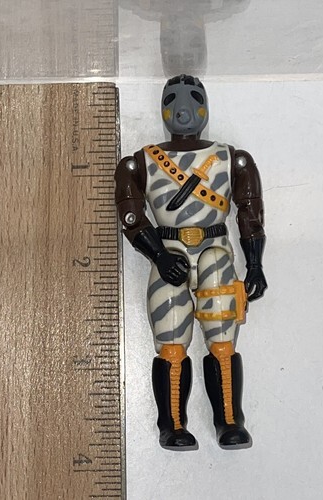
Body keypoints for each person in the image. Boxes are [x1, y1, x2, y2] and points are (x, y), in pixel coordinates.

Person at [115, 74, 267, 450]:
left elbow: (250, 215)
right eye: (172, 100)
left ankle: (229, 421)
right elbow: (132, 217)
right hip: (168, 252)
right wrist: (158, 254)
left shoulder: (233, 159)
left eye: (193, 99)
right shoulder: (140, 163)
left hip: (215, 251)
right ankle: (172, 426)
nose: (183, 109)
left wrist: (255, 264)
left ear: (204, 106)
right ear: (162, 108)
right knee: (170, 342)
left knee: (222, 340)